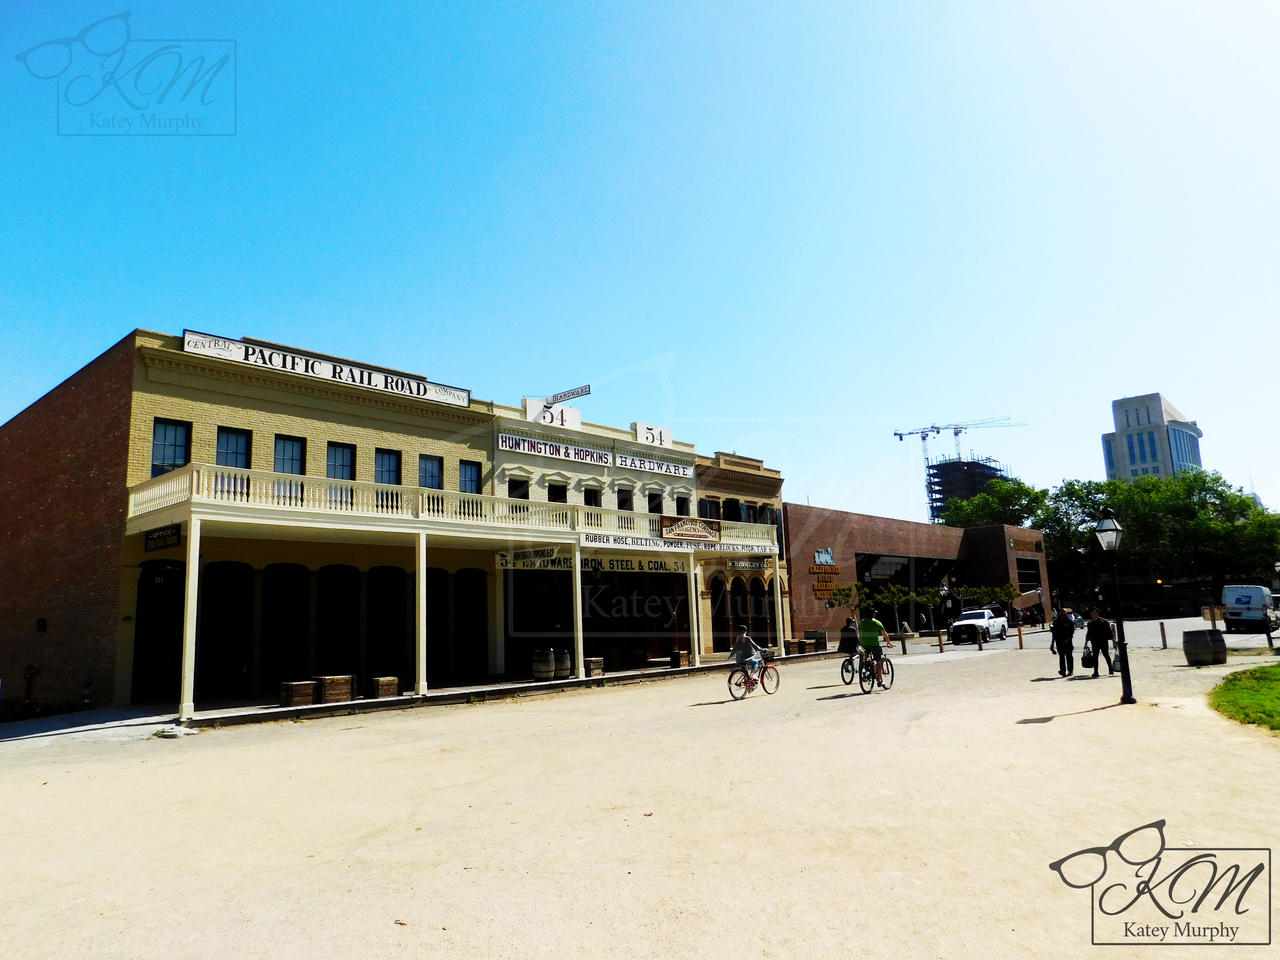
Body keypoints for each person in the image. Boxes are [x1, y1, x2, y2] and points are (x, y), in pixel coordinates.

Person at [858, 609, 892, 689]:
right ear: (873, 614)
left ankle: (866, 668)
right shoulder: (876, 622)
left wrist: (862, 641)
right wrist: (889, 642)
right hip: (874, 644)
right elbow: (885, 634)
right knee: (878, 661)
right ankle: (879, 680)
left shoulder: (862, 622)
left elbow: (860, 633)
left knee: (866, 655)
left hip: (864, 644)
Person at [1084, 608, 1116, 678]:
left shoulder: (1104, 621)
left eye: (1094, 613)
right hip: (1094, 642)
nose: (1093, 614)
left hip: (1103, 641)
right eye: (1092, 613)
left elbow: (1110, 632)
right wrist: (1086, 643)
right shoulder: (1090, 623)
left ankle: (1111, 669)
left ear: (1098, 613)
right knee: (1095, 657)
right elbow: (1088, 633)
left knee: (1106, 655)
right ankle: (1096, 672)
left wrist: (1114, 641)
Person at [1050, 607, 1076, 677]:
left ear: (1066, 613)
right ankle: (1063, 671)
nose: (1063, 613)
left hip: (1068, 642)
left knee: (1069, 657)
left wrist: (1067, 640)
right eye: (1061, 612)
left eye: (1064, 612)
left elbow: (1071, 633)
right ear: (1059, 613)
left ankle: (1070, 671)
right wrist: (1052, 644)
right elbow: (1054, 634)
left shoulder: (1069, 622)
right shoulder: (1056, 622)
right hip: (1059, 642)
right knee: (1061, 657)